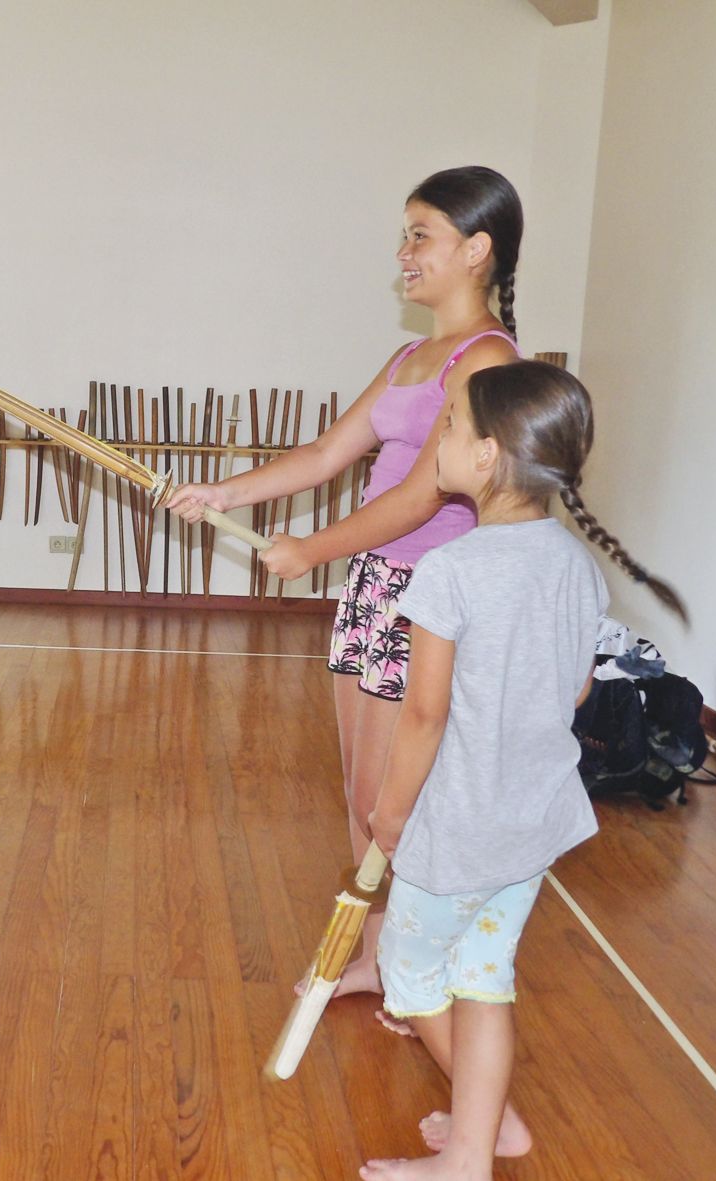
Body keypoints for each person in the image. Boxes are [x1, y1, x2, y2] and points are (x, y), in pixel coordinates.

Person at [167, 167, 523, 1002]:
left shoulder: (487, 360)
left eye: (419, 234)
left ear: (475, 250)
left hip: (429, 595)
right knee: (362, 792)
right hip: (377, 586)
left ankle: (420, 969)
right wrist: (224, 492)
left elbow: (422, 493)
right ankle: (375, 956)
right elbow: (327, 455)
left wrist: (312, 549)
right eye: (404, 233)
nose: (403, 252)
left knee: (403, 797)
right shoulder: (411, 354)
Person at [359, 361, 685, 1180]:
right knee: (483, 973)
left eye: (450, 426)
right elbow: (576, 686)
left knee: (412, 973)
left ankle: (485, 1121)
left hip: (461, 825)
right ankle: (481, 1139)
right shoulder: (573, 566)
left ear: (488, 455)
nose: (437, 439)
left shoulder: (450, 572)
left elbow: (424, 716)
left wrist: (390, 814)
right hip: (535, 820)